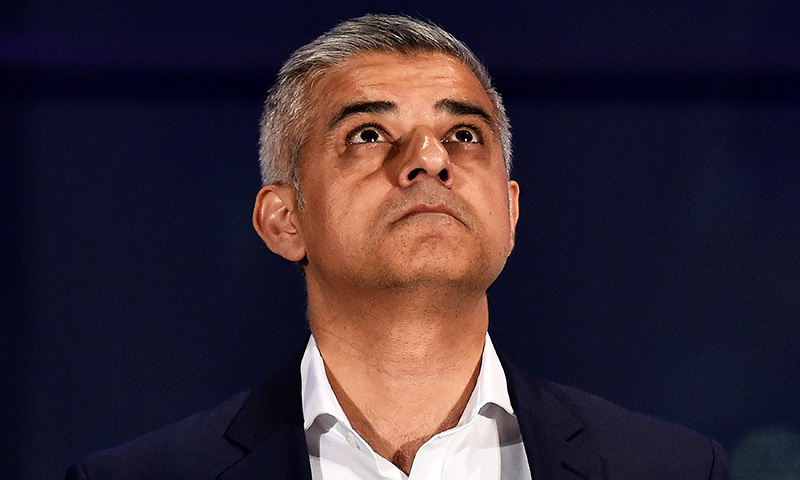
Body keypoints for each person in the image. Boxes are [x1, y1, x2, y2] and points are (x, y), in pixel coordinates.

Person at [66, 14, 731, 480]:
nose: (430, 160)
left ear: (510, 210)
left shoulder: (673, 468)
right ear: (283, 220)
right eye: (368, 135)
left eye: (464, 134)